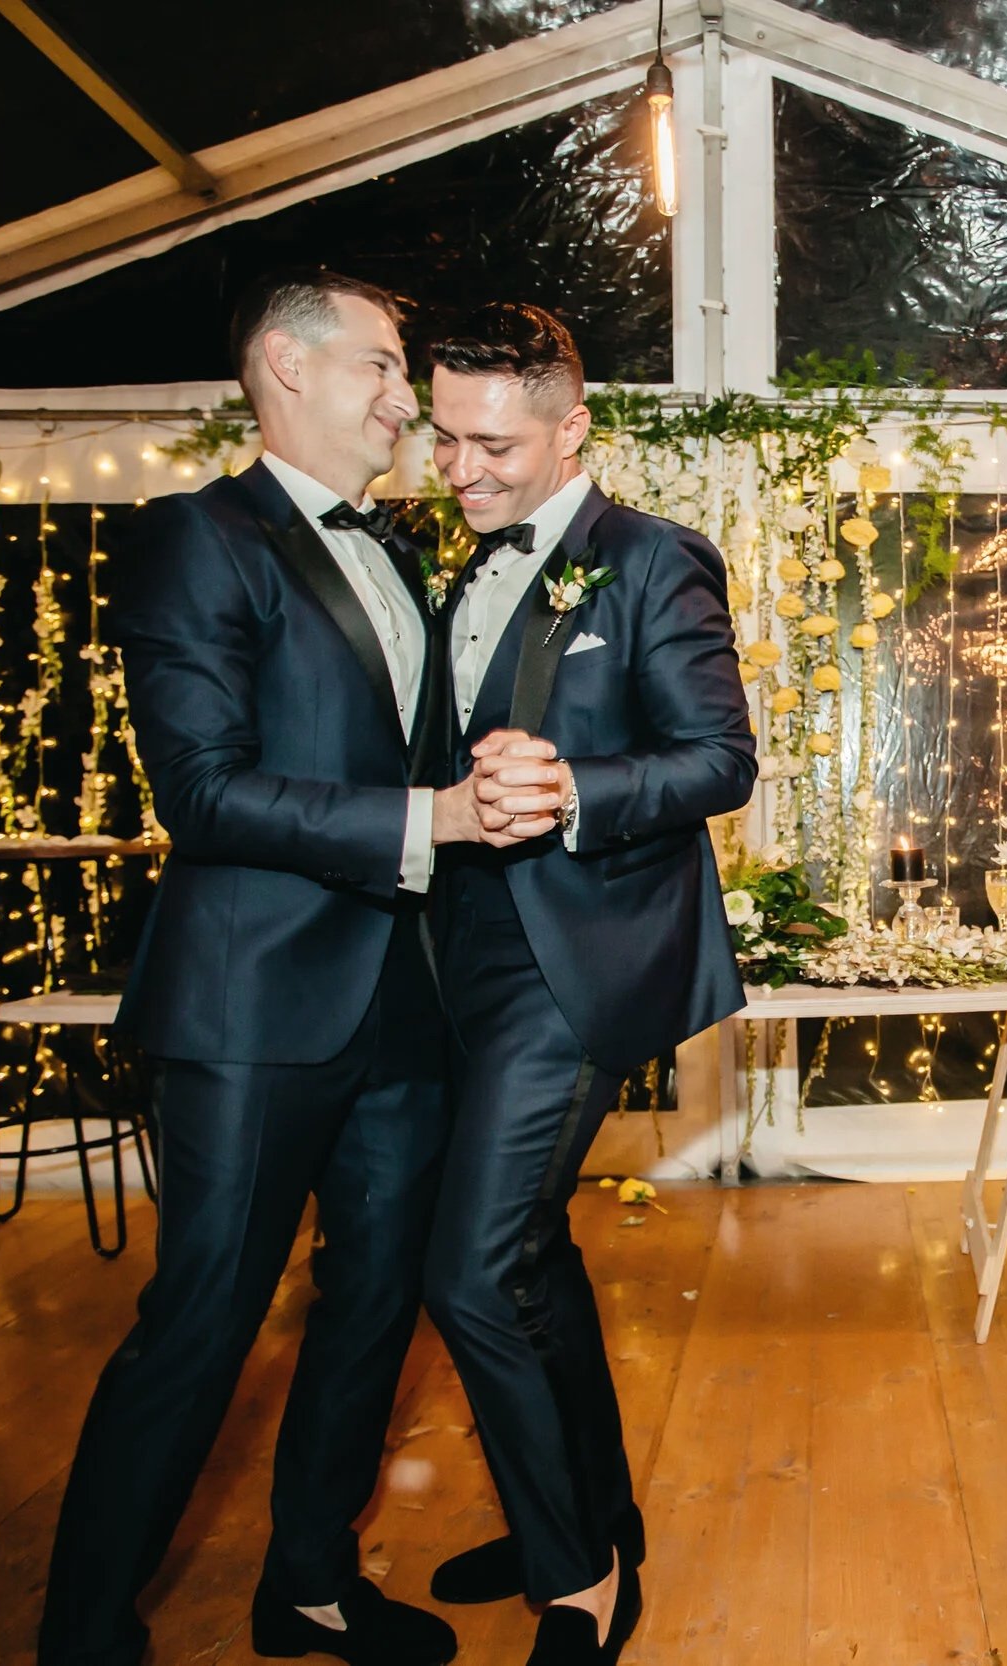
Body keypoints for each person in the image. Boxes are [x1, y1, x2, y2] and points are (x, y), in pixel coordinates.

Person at [38, 269, 532, 1666]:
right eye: (382, 363)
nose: (402, 396)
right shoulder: (195, 539)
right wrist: (423, 817)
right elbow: (200, 793)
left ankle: (307, 1580)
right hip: (252, 1008)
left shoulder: (404, 552)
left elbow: (402, 753)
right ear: (283, 367)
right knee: (199, 1321)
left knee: (374, 1306)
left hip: (403, 1004)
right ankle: (82, 1631)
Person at [413, 303, 756, 1665]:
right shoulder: (460, 572)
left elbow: (719, 760)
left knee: (471, 1269)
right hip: (460, 960)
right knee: (533, 1250)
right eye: (443, 439)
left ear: (573, 429)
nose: (460, 470)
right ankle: (595, 1505)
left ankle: (579, 1577)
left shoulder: (651, 561)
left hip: (574, 962)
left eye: (492, 444)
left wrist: (578, 788)